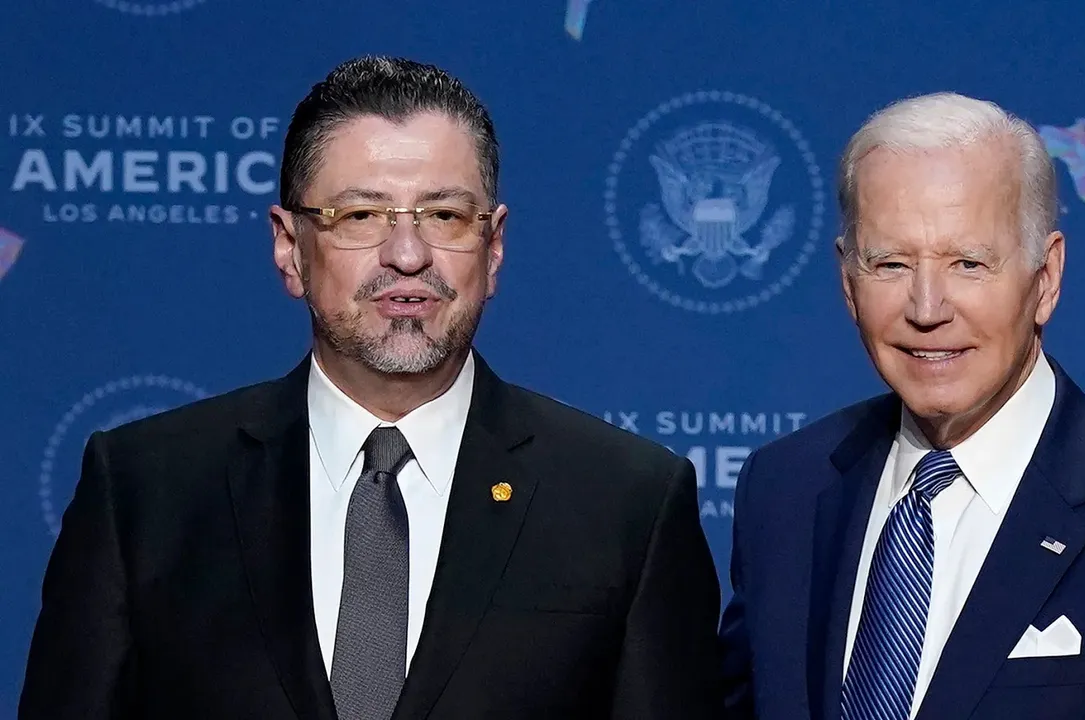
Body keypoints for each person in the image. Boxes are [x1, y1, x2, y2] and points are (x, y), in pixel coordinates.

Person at [20, 55, 723, 720]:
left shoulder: (626, 501)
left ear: (494, 247)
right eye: (360, 216)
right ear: (289, 247)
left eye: (445, 215)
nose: (408, 255)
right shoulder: (145, 491)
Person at [718, 92, 1085, 720]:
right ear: (849, 282)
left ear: (1046, 278)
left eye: (969, 263)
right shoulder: (784, 488)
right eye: (892, 263)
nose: (927, 308)